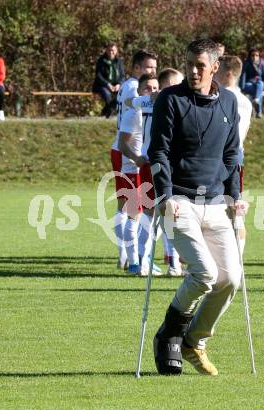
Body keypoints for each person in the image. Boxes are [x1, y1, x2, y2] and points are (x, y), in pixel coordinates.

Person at [149, 39, 247, 376]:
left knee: (230, 279)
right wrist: (165, 196)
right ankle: (168, 337)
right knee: (204, 274)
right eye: (189, 63)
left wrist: (235, 196)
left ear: (215, 67)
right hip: (178, 200)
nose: (192, 70)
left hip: (217, 202)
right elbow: (158, 152)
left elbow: (233, 154)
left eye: (200, 65)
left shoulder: (229, 102)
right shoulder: (170, 99)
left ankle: (194, 341)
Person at [125, 68, 185, 276]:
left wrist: (146, 99)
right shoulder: (169, 100)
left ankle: (162, 264)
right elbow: (129, 103)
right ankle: (163, 263)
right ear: (169, 85)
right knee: (162, 214)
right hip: (160, 163)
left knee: (159, 214)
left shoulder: (154, 100)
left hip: (158, 163)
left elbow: (129, 103)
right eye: (178, 83)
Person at [111, 49, 158, 271]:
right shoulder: (133, 87)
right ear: (137, 68)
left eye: (154, 69)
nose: (152, 72)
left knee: (130, 207)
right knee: (136, 209)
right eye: (148, 68)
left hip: (130, 149)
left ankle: (129, 255)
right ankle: (133, 258)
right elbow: (133, 104)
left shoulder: (129, 86)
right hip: (131, 151)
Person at [214, 55, 252, 253]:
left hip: (220, 158)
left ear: (228, 73)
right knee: (234, 210)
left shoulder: (221, 96)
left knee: (218, 209)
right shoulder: (245, 100)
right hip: (237, 158)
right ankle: (236, 258)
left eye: (217, 69)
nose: (214, 73)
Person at [92, 43, 125, 118]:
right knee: (107, 95)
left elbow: (122, 76)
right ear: (106, 50)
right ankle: (107, 115)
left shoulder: (119, 62)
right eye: (109, 50)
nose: (111, 52)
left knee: (123, 94)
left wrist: (119, 84)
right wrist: (108, 84)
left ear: (116, 51)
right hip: (102, 85)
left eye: (113, 50)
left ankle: (105, 113)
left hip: (116, 86)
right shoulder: (101, 60)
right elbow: (98, 76)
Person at [239, 47, 264, 118]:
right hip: (249, 84)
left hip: (259, 83)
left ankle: (256, 100)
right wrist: (242, 89)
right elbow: (243, 76)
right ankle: (258, 111)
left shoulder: (262, 63)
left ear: (259, 56)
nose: (254, 57)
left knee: (261, 84)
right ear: (250, 56)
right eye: (253, 55)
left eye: (256, 55)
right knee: (258, 91)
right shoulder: (247, 63)